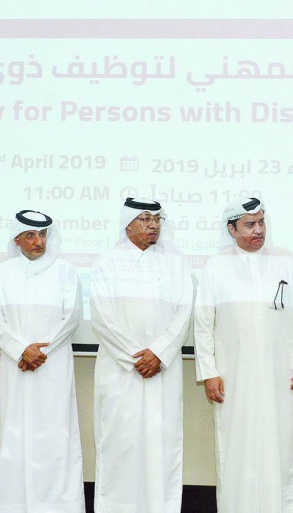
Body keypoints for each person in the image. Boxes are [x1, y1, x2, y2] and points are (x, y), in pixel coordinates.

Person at [193, 198, 293, 513]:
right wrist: (209, 371)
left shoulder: (286, 262)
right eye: (250, 225)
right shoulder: (216, 266)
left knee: (279, 447)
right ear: (231, 229)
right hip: (232, 378)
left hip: (282, 375)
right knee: (236, 447)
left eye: (262, 222)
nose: (258, 230)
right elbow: (203, 323)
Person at [90, 198, 194, 513]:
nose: (153, 225)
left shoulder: (176, 262)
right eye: (146, 219)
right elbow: (102, 317)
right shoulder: (107, 261)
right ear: (129, 224)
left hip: (162, 370)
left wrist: (159, 354)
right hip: (122, 372)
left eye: (157, 219)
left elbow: (184, 311)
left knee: (161, 447)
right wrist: (137, 357)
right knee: (120, 446)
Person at [0, 210, 85, 512]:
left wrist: (41, 351)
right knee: (13, 436)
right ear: (17, 239)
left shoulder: (64, 270)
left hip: (53, 367)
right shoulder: (2, 273)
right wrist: (20, 350)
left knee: (55, 438)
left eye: (42, 235)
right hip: (17, 367)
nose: (38, 241)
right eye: (30, 235)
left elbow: (72, 317)